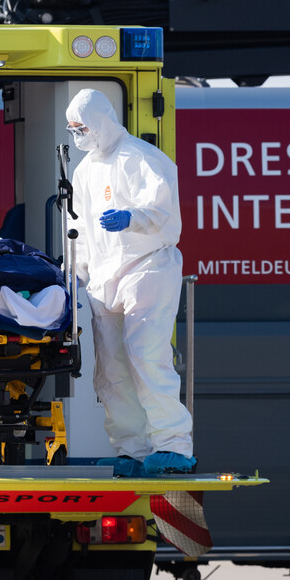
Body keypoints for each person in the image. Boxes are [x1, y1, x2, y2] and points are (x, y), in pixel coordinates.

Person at [65, 88, 195, 476]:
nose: (78, 134)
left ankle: (174, 446)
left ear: (102, 120)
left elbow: (161, 209)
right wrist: (76, 271)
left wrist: (131, 217)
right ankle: (133, 449)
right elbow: (80, 229)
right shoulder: (84, 170)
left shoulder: (140, 157)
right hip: (105, 277)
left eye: (82, 126)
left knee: (146, 357)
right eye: (72, 128)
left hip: (146, 266)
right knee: (111, 369)